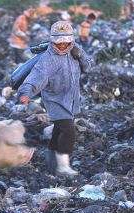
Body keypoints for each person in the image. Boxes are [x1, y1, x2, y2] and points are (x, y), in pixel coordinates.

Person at [17, 21, 93, 176]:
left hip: (71, 100)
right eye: (59, 43)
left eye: (66, 43)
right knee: (69, 131)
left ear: (71, 40)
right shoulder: (48, 59)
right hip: (54, 100)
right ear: (52, 41)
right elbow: (36, 78)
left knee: (59, 130)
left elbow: (88, 67)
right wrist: (26, 93)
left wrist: (80, 55)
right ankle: (63, 166)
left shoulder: (75, 51)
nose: (62, 46)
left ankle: (51, 163)